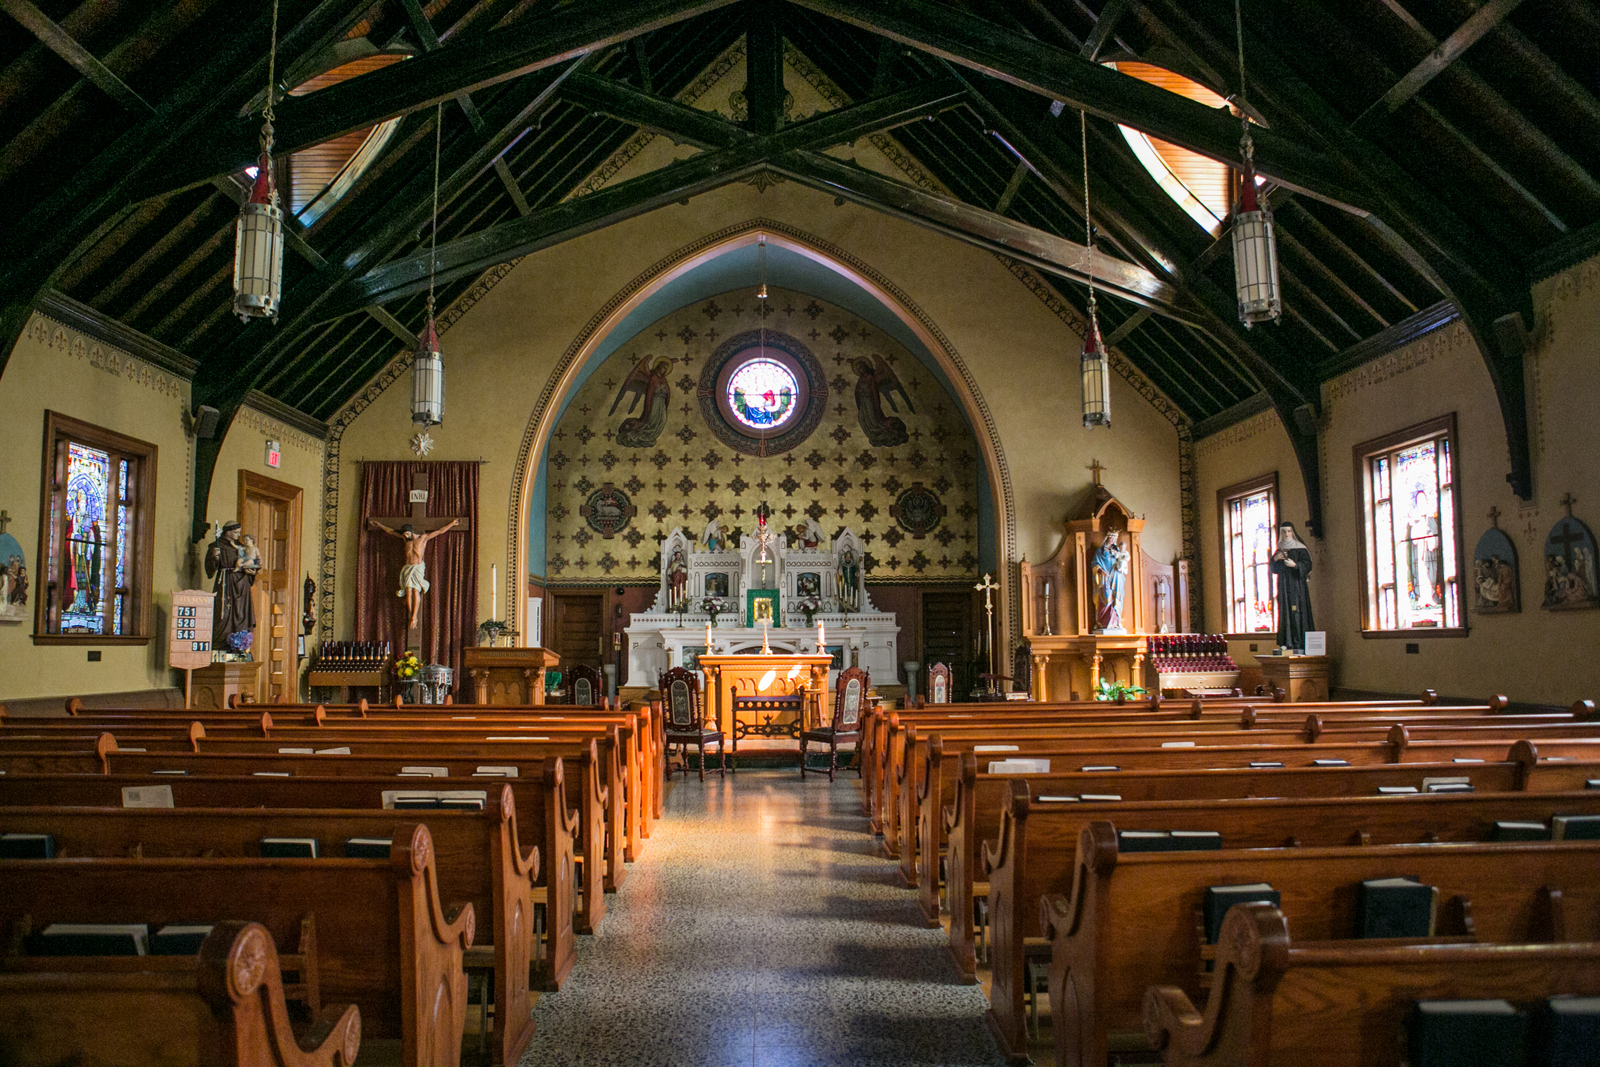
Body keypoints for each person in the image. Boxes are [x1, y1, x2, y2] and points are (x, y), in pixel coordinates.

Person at [369, 518, 459, 632]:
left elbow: (440, 531)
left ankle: (414, 616)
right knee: (408, 591)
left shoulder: (423, 538)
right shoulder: (405, 540)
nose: (405, 536)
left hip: (417, 567)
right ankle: (411, 615)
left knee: (415, 591)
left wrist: (452, 524)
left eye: (407, 533)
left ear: (411, 531)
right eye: (404, 535)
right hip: (407, 567)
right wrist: (379, 525)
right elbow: (391, 531)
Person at [205, 521, 257, 649]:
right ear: (227, 532)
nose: (238, 535)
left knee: (241, 613)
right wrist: (214, 558)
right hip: (226, 582)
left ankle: (241, 643)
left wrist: (252, 571)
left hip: (242, 584)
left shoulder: (242, 547)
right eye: (235, 532)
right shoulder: (216, 545)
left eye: (239, 532)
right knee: (224, 614)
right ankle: (221, 644)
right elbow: (210, 569)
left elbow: (251, 563)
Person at [1270, 521, 1315, 652]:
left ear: (1292, 532)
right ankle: (1286, 641)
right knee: (1285, 612)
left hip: (1297, 587)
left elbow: (1308, 564)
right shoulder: (1280, 549)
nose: (1286, 534)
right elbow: (1274, 569)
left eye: (1289, 531)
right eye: (1284, 532)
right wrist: (1275, 559)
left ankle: (1299, 641)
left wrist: (1295, 565)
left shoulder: (1300, 548)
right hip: (1284, 588)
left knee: (1298, 612)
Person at [1091, 529, 1129, 633]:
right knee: (1106, 598)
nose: (1113, 540)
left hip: (1116, 579)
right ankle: (1103, 623)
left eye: (1115, 538)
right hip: (1104, 579)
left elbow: (1123, 564)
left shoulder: (1117, 551)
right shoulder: (1100, 551)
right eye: (1111, 537)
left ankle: (1115, 622)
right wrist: (1100, 570)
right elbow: (1094, 564)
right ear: (1107, 537)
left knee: (1116, 600)